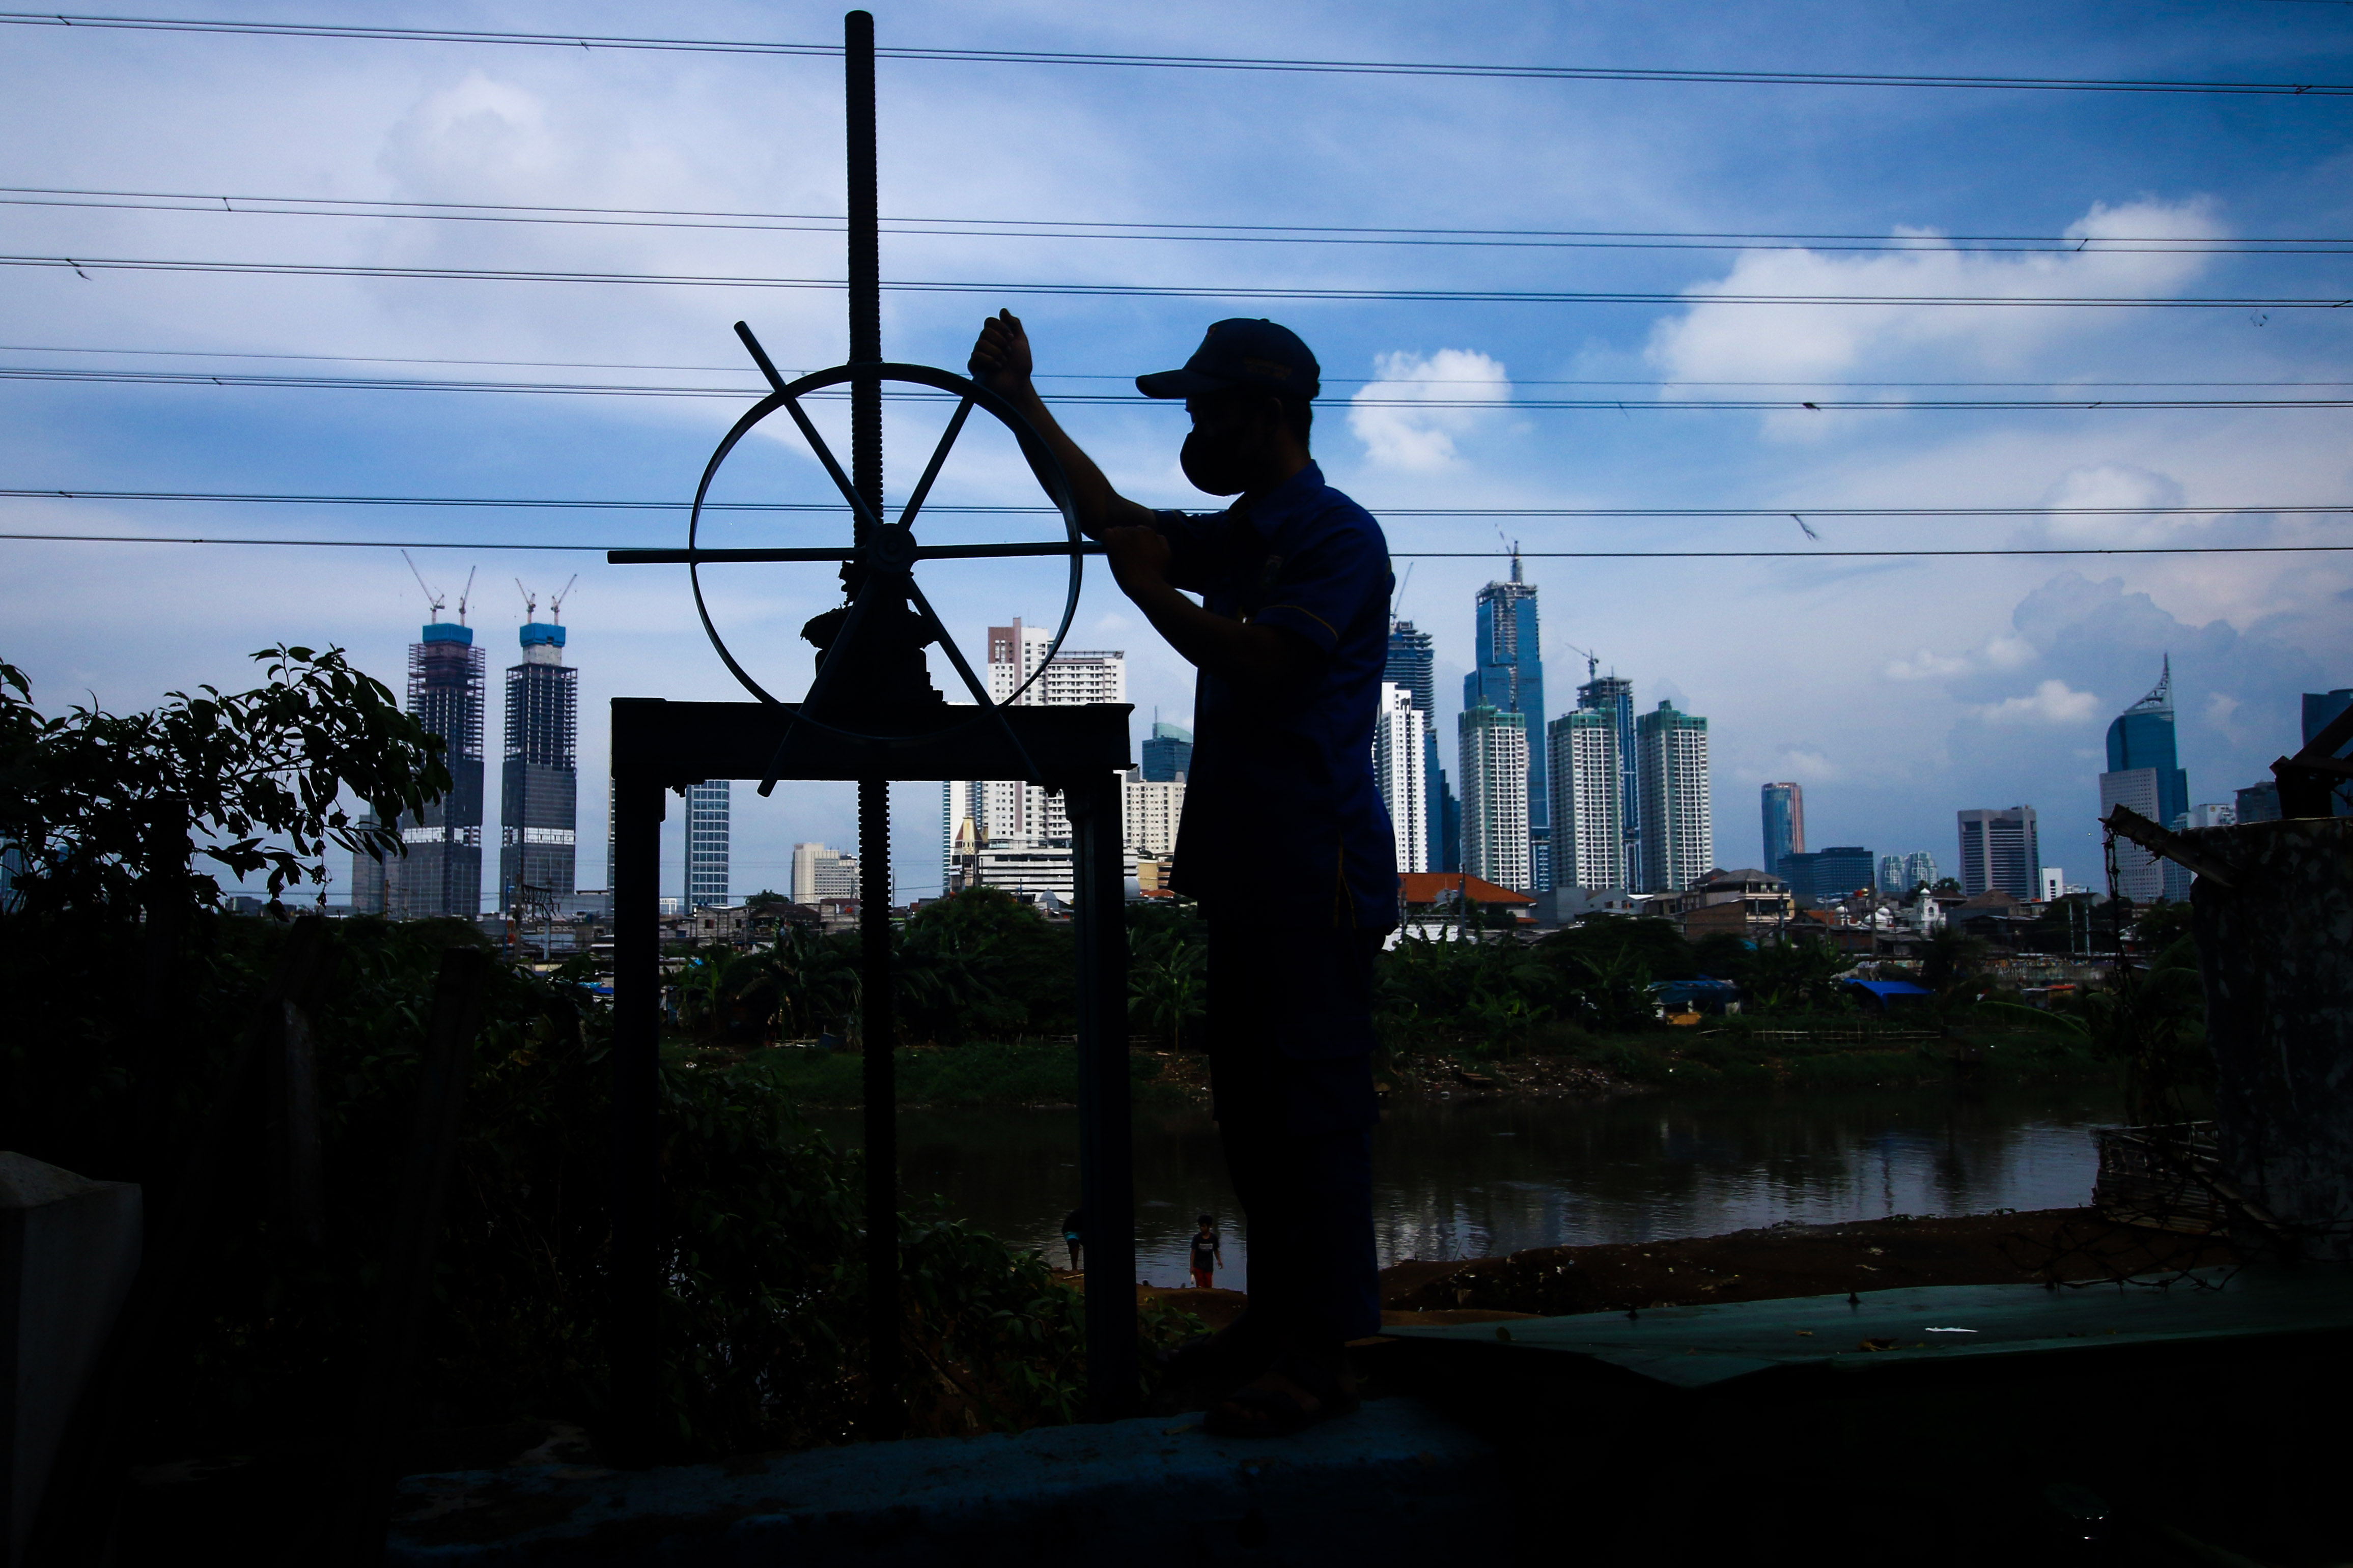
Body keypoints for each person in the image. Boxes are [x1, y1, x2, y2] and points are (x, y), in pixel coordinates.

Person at [970, 311, 1396, 1437]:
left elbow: (1267, 656)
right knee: (1254, 1114)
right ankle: (1273, 1318)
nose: (1194, 427)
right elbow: (1112, 519)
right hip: (1250, 866)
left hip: (1319, 865)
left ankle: (1326, 1348)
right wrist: (1022, 405)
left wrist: (1158, 594)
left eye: (1207, 409)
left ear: (1264, 416)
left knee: (1314, 1106)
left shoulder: (1335, 539)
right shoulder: (1250, 532)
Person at [1189, 1214, 1224, 1291]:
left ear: (1209, 1226)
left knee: (1209, 1286)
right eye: (1201, 1226)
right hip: (1198, 1266)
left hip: (1208, 1267)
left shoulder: (1213, 1238)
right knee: (1201, 1287)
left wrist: (1219, 1260)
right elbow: (1193, 1252)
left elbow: (1216, 1250)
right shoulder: (1197, 1238)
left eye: (1204, 1226)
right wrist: (1192, 1267)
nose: (1202, 1228)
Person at [1061, 1208, 1084, 1273]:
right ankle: (1074, 1268)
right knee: (1075, 1247)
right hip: (1070, 1231)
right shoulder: (1080, 1212)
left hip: (1081, 1231)